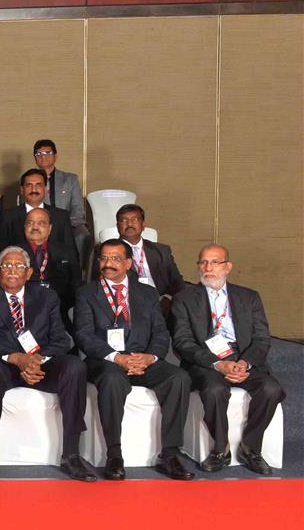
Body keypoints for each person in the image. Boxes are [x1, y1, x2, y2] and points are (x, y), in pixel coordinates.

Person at [0, 247, 94, 482]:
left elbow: (61, 339)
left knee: (75, 367)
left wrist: (36, 360)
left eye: (19, 266)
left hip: (40, 364)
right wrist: (14, 357)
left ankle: (71, 453)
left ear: (29, 272)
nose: (12, 271)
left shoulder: (47, 297)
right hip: (3, 364)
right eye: (6, 266)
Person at [74, 240, 194, 481]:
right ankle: (114, 455)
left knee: (179, 377)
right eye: (104, 258)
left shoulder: (148, 293)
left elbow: (161, 332)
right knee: (111, 379)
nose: (108, 264)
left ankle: (169, 454)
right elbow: (84, 335)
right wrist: (117, 357)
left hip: (143, 357)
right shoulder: (86, 293)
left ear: (129, 263)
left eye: (115, 259)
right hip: (106, 359)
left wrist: (151, 357)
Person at [171, 244, 283, 476]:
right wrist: (218, 364)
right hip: (206, 360)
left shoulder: (249, 297)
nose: (207, 268)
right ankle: (220, 449)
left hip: (243, 357)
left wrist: (245, 363)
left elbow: (262, 339)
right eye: (203, 262)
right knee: (214, 390)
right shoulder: (184, 298)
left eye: (214, 262)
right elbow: (182, 342)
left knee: (272, 389)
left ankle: (251, 447)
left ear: (228, 266)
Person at [107, 204, 185, 310]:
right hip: (129, 306)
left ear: (143, 225)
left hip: (162, 305)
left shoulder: (162, 251)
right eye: (124, 220)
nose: (129, 224)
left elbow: (177, 282)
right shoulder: (108, 252)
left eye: (134, 220)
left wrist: (168, 299)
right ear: (117, 226)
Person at [0, 169, 78, 259]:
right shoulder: (8, 217)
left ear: (45, 189)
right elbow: (0, 253)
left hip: (55, 271)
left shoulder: (61, 216)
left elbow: (71, 253)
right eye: (29, 185)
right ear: (22, 190)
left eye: (38, 185)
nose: (34, 190)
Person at [22, 207, 81, 327]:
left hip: (61, 312)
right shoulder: (13, 253)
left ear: (50, 229)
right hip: (24, 313)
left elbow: (76, 285)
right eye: (30, 223)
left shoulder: (67, 253)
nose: (35, 227)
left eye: (41, 223)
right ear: (24, 228)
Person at [32, 139, 89, 252]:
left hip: (68, 224)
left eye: (48, 153)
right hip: (40, 224)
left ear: (55, 156)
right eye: (39, 154)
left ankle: (77, 269)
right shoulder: (29, 180)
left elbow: (78, 208)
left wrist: (64, 225)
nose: (43, 157)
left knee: (82, 234)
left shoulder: (70, 179)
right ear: (35, 158)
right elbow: (28, 207)